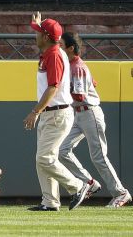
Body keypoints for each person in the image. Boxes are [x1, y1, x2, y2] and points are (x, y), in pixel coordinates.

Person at [24, 13, 91, 211]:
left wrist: (35, 112)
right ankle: (50, 202)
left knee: (44, 159)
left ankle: (78, 186)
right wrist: (37, 24)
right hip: (51, 113)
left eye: (38, 33)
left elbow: (53, 87)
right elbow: (47, 35)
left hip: (57, 113)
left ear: (45, 37)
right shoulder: (51, 49)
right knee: (42, 160)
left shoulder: (54, 54)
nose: (35, 36)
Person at [56, 32, 131, 207]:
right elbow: (92, 83)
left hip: (89, 113)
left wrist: (59, 89)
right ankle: (89, 183)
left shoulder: (77, 66)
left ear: (71, 47)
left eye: (61, 44)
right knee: (61, 150)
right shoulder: (70, 66)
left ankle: (121, 193)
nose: (58, 47)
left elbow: (80, 96)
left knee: (99, 157)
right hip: (78, 114)